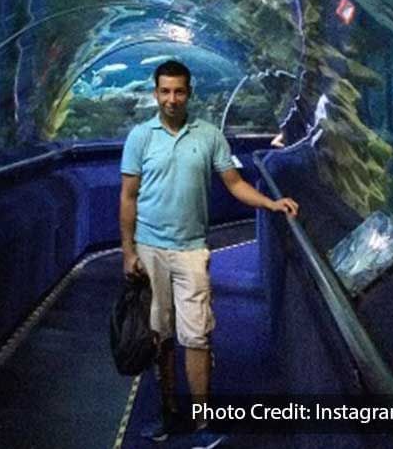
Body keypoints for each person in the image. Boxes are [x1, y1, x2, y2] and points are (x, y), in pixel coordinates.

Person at [119, 60, 299, 445]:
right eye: (165, 91)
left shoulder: (209, 135)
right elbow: (128, 196)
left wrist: (270, 203)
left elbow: (234, 183)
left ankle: (203, 420)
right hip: (150, 250)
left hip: (191, 251)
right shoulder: (140, 137)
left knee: (197, 336)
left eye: (179, 91)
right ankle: (168, 412)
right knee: (160, 337)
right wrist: (127, 251)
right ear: (155, 93)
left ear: (189, 93)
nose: (171, 99)